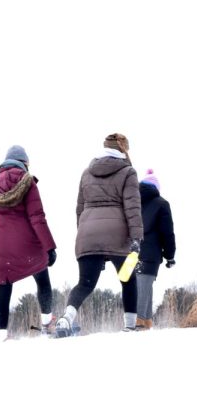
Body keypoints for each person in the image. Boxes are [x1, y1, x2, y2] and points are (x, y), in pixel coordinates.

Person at [54, 133, 143, 337]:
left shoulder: (87, 172)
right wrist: (137, 239)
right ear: (123, 150)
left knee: (85, 283)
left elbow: (79, 209)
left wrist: (84, 235)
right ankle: (130, 325)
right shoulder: (128, 172)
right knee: (128, 278)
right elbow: (133, 208)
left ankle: (66, 318)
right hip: (119, 237)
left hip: (87, 235)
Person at [0, 145, 57, 341]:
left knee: (3, 291)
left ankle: (2, 336)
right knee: (43, 280)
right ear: (25, 163)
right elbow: (37, 217)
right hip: (28, 244)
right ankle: (47, 325)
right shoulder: (27, 182)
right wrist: (50, 247)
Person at [134, 169, 176, 330]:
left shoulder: (132, 202)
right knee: (144, 287)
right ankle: (138, 325)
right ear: (156, 188)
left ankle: (144, 324)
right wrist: (170, 256)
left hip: (130, 252)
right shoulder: (162, 204)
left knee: (138, 288)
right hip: (150, 253)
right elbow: (167, 232)